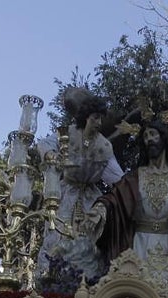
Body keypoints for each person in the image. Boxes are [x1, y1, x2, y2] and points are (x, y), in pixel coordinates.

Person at [91, 120, 168, 295]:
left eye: (153, 134)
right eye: (146, 136)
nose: (149, 139)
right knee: (135, 296)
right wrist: (100, 210)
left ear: (164, 138)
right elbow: (114, 199)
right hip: (139, 244)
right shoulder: (134, 178)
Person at [36, 87, 126, 287]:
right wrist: (53, 157)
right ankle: (52, 281)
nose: (99, 123)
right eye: (95, 118)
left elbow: (117, 178)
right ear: (85, 117)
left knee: (88, 243)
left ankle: (86, 284)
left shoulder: (104, 146)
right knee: (57, 236)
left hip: (89, 199)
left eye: (101, 118)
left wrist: (129, 189)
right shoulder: (67, 134)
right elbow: (43, 144)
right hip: (65, 194)